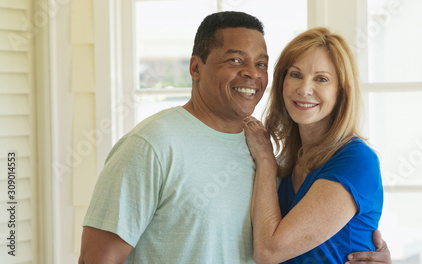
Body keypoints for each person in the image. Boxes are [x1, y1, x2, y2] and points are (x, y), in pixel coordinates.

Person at [79, 12, 390, 264]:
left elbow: (323, 238)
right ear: (195, 67)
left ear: (341, 92)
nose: (251, 73)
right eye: (235, 60)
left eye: (261, 64)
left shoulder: (262, 154)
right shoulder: (151, 146)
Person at [243, 27, 386, 264]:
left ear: (341, 92)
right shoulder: (287, 166)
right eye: (296, 74)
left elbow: (268, 252)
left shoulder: (356, 161)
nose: (304, 89)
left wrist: (266, 160)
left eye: (321, 79)